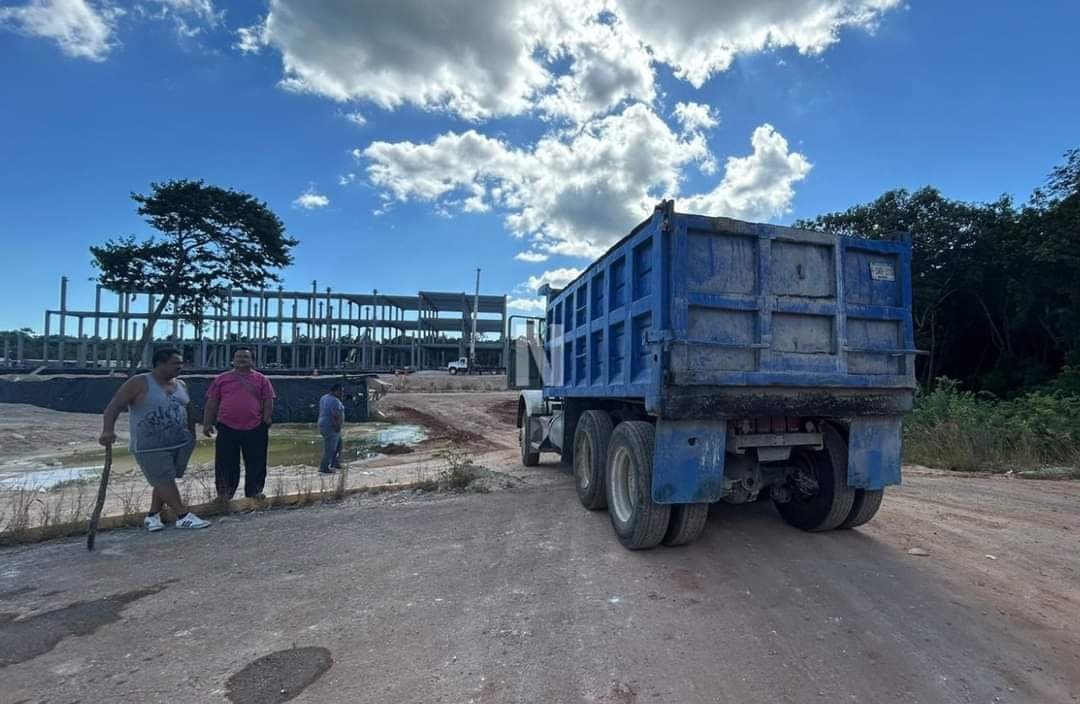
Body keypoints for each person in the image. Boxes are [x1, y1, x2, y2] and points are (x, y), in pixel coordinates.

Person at [99, 348, 210, 531]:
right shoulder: (139, 383)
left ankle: (152, 516)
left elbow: (188, 408)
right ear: (160, 364)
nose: (180, 367)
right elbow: (113, 407)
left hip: (179, 442)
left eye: (181, 363)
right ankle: (182, 516)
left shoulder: (180, 384)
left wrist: (191, 434)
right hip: (150, 446)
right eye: (176, 363)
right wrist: (107, 431)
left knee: (164, 480)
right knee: (163, 479)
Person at [203, 346, 276, 500]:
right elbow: (212, 402)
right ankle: (224, 494)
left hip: (255, 426)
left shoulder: (262, 380)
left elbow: (268, 400)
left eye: (245, 357)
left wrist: (266, 418)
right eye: (238, 357)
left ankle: (254, 492)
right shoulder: (221, 379)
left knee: (256, 461)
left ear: (253, 361)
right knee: (225, 463)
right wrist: (207, 423)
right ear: (233, 360)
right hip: (227, 426)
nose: (241, 359)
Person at [317, 383, 346, 473]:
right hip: (331, 426)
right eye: (341, 391)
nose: (342, 393)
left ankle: (335, 462)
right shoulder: (334, 401)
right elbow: (335, 415)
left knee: (339, 444)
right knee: (329, 447)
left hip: (322, 424)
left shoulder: (324, 398)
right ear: (336, 391)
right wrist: (337, 426)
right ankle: (324, 467)